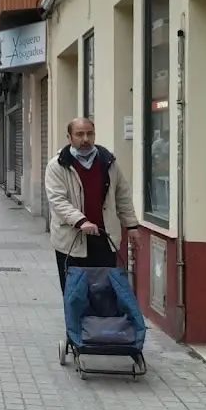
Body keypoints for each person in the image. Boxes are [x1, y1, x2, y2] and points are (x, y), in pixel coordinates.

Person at [45, 117, 141, 293]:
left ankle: (100, 321)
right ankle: (76, 321)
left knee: (103, 293)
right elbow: (58, 200)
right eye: (79, 134)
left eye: (90, 134)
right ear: (69, 137)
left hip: (104, 238)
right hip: (71, 242)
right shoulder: (58, 165)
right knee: (75, 295)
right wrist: (81, 222)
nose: (85, 139)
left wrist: (131, 225)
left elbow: (122, 195)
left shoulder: (108, 161)